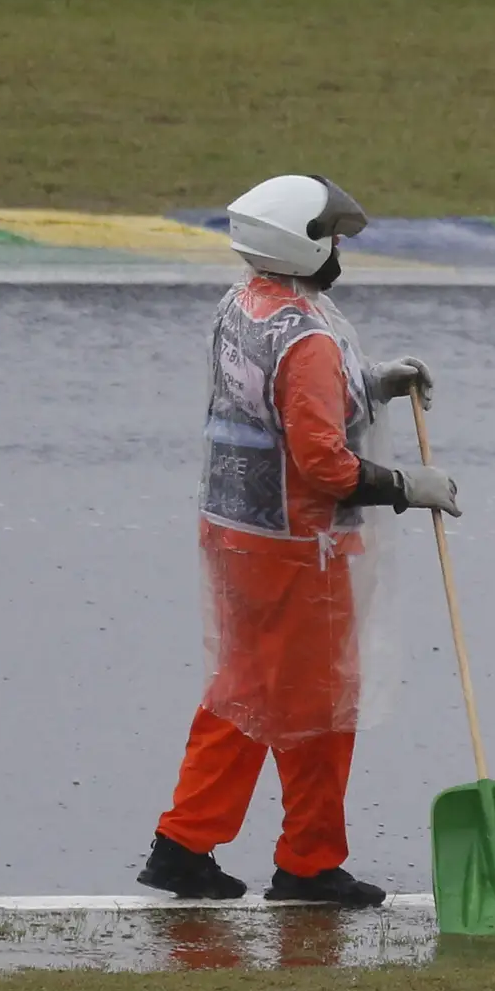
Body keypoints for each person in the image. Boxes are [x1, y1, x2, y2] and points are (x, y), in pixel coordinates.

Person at [140, 173, 456, 907]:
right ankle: (309, 862)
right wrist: (410, 487)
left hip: (237, 535)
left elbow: (284, 405)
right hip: (298, 547)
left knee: (242, 693)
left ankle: (183, 842)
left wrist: (375, 383)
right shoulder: (307, 335)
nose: (339, 248)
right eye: (332, 237)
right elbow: (324, 464)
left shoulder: (246, 306)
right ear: (302, 243)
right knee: (319, 709)